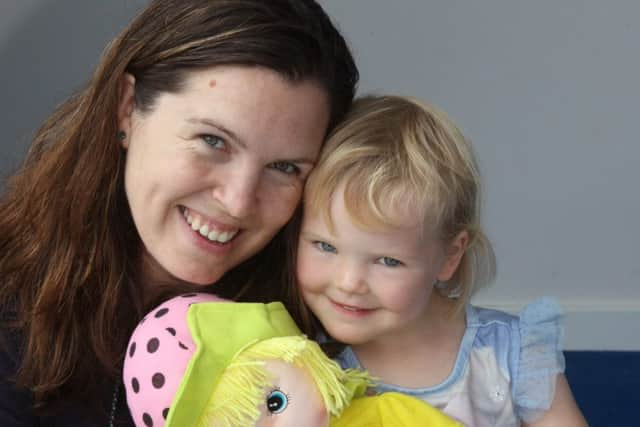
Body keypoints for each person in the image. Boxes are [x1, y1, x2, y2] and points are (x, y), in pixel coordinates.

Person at [0, 0, 358, 425]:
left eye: (284, 168)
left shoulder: (322, 345)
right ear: (127, 108)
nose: (239, 201)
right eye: (212, 140)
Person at [292, 95, 588, 426]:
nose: (348, 282)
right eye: (325, 246)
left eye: (387, 261)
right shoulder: (303, 363)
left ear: (450, 255)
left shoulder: (510, 353)